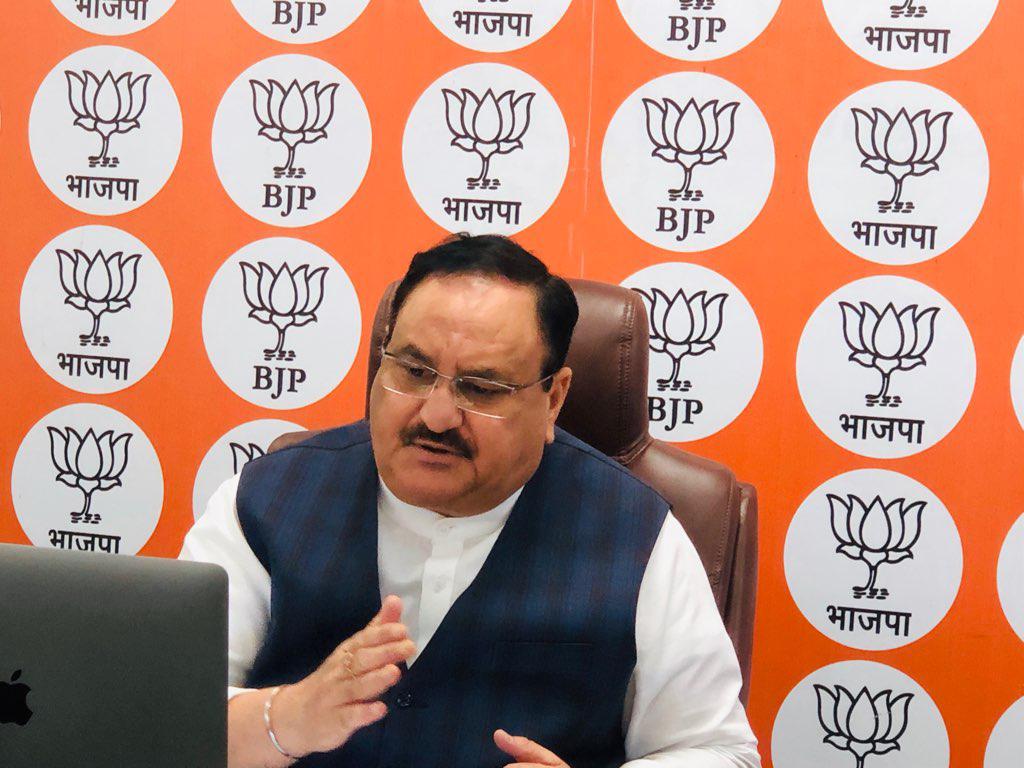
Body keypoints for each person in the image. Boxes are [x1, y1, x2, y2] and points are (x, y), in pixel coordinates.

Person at [180, 234, 761, 768]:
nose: (435, 415)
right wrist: (287, 719)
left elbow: (718, 751)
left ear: (554, 399)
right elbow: (160, 719)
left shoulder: (636, 533)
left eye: (482, 388)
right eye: (412, 371)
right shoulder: (267, 501)